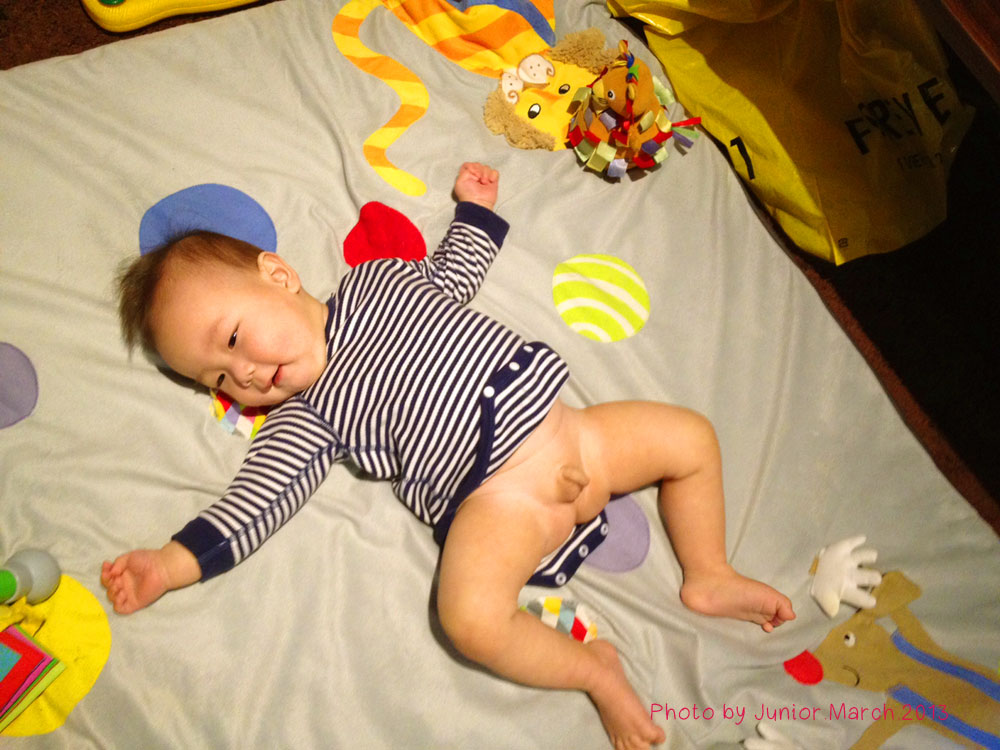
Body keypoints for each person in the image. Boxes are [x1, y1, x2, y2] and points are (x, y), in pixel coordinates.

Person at [102, 162, 795, 749]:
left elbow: (452, 276)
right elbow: (259, 497)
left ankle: (708, 572)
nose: (245, 375)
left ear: (278, 276)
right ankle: (594, 670)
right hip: (498, 500)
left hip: (575, 433)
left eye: (232, 341)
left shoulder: (376, 282)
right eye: (219, 379)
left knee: (691, 438)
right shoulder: (306, 417)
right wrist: (171, 563)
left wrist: (476, 211)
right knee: (468, 619)